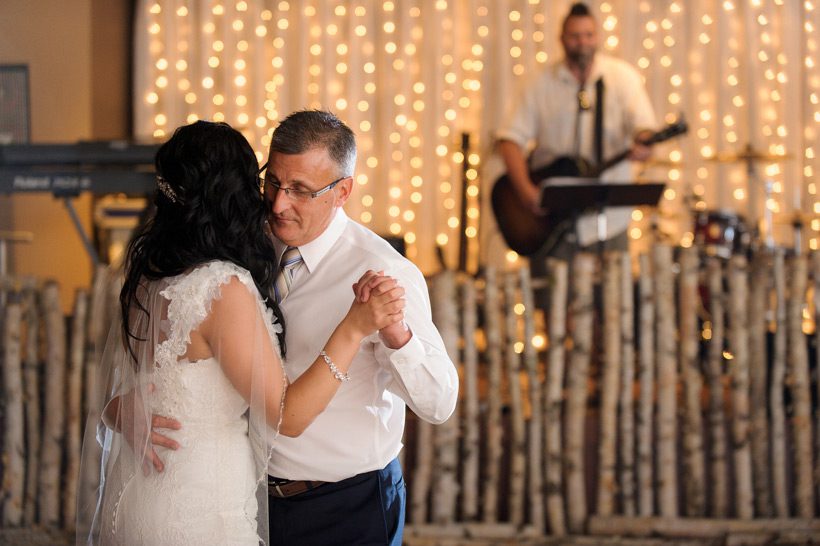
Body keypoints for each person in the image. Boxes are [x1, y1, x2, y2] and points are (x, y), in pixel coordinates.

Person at [76, 120, 406, 545]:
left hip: (144, 492)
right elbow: (286, 417)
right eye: (261, 182)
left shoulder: (149, 275)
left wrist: (117, 410)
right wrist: (352, 328)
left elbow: (141, 381)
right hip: (198, 506)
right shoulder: (219, 288)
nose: (269, 199)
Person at [260, 109, 459, 546]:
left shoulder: (385, 271)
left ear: (343, 191)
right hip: (254, 503)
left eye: (300, 190)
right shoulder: (252, 247)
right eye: (273, 182)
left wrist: (397, 336)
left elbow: (439, 403)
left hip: (349, 508)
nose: (278, 204)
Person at [490, 2, 657, 272]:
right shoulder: (540, 82)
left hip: (609, 221)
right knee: (550, 293)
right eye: (575, 36)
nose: (583, 43)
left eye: (588, 35)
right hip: (552, 223)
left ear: (598, 37)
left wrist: (644, 143)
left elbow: (644, 129)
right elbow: (510, 140)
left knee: (612, 292)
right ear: (562, 39)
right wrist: (527, 192)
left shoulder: (622, 78)